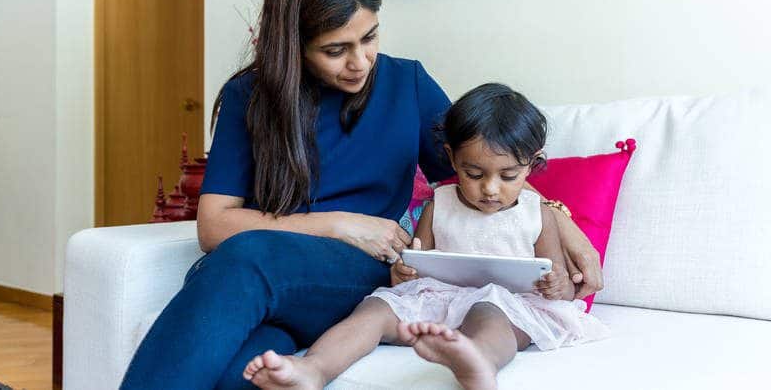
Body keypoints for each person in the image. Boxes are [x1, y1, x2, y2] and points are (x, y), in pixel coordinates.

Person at [119, 0, 603, 389]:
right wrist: (339, 224)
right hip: (279, 284)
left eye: (369, 37)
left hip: (367, 276)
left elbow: (479, 173)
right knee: (237, 373)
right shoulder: (249, 98)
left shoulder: (406, 83)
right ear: (295, 45)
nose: (361, 61)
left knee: (242, 260)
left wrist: (560, 221)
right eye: (336, 50)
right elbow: (215, 225)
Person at [243, 84, 610, 390]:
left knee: (490, 312)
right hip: (438, 298)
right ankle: (314, 369)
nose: (490, 189)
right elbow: (416, 262)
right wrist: (403, 273)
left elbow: (557, 282)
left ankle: (478, 360)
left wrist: (555, 284)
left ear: (532, 164)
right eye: (474, 173)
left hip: (508, 306)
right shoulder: (441, 203)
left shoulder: (539, 213)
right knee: (374, 309)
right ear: (452, 158)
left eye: (509, 176)